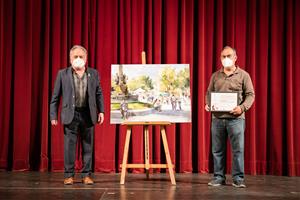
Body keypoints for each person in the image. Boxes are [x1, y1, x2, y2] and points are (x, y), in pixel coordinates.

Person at [50, 45, 104, 185]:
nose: (78, 59)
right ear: (70, 59)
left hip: (88, 114)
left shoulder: (94, 73)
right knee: (69, 146)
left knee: (87, 146)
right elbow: (55, 97)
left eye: (81, 56)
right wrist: (53, 115)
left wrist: (101, 111)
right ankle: (69, 175)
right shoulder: (63, 74)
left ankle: (86, 175)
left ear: (86, 59)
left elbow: (99, 94)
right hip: (70, 115)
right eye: (75, 56)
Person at [205, 46, 255, 188]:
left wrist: (242, 108)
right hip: (217, 119)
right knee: (217, 150)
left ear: (235, 58)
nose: (225, 59)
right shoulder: (215, 76)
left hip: (236, 119)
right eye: (223, 56)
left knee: (237, 150)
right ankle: (218, 177)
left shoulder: (244, 75)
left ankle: (238, 179)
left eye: (228, 56)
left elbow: (250, 95)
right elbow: (209, 93)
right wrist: (208, 104)